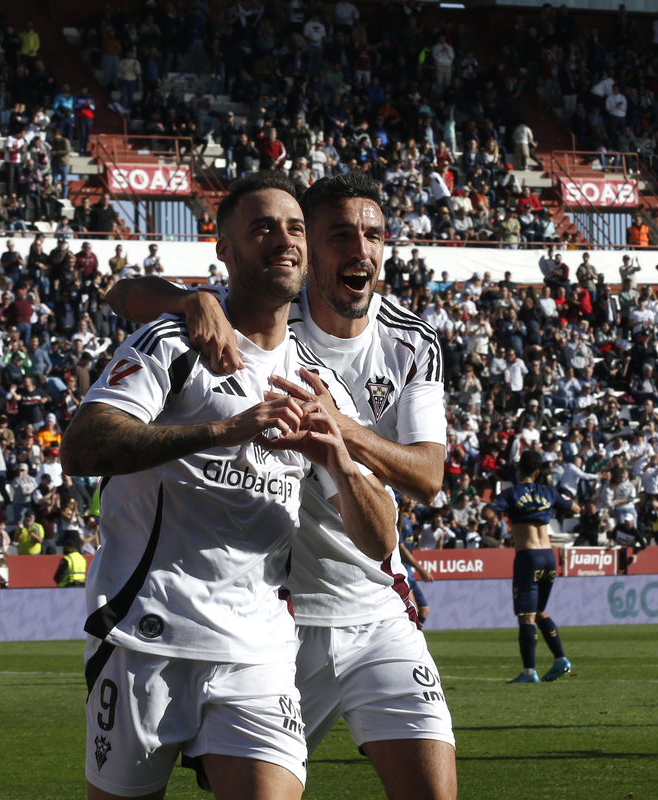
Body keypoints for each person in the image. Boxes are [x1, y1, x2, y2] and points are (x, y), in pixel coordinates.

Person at [106, 172, 457, 799]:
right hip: (280, 614)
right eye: (339, 236)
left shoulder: (409, 339)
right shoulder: (265, 309)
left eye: (373, 236)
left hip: (375, 603)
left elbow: (430, 475)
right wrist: (186, 299)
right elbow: (120, 292)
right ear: (310, 251)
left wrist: (341, 434)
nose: (360, 251)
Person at [482, 450, 578, 684]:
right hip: (549, 556)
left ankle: (529, 672)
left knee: (526, 616)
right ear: (537, 472)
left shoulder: (512, 493)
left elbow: (487, 512)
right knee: (539, 612)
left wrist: (497, 513)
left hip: (528, 557)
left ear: (518, 470)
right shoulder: (547, 492)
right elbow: (575, 508)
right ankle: (560, 659)